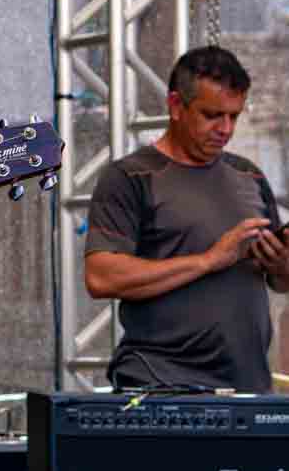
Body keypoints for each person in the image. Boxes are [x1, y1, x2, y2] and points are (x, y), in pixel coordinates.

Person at [85, 46, 289, 393]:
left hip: (248, 386)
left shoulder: (249, 175)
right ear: (176, 105)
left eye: (234, 116)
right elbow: (101, 277)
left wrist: (282, 264)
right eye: (212, 115)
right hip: (161, 385)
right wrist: (209, 260)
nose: (225, 129)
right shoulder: (130, 177)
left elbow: (279, 283)